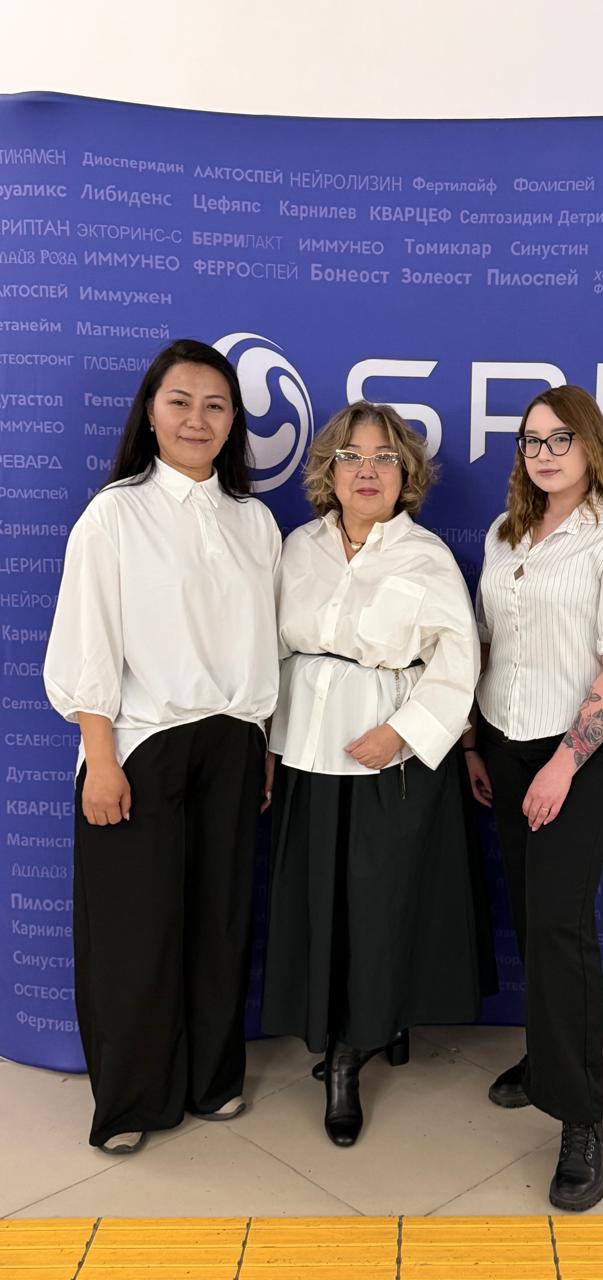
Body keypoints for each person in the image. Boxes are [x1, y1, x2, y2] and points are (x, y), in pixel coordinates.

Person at [43, 338, 280, 1155]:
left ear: (234, 422)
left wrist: (263, 745)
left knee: (220, 922)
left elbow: (265, 646)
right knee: (133, 932)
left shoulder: (254, 522)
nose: (197, 419)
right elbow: (89, 640)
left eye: (216, 405)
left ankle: (212, 1078)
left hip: (235, 742)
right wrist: (100, 756)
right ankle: (132, 1102)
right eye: (180, 402)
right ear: (150, 412)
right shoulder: (116, 514)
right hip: (141, 742)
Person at [262, 400, 492, 1146]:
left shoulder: (425, 555)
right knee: (319, 905)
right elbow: (268, 650)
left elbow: (458, 660)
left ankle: (356, 1048)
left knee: (379, 907)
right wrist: (266, 744)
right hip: (308, 749)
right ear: (329, 470)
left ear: (407, 474)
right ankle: (341, 1036)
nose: (368, 471)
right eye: (352, 457)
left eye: (385, 458)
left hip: (392, 761)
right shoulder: (298, 548)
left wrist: (400, 733)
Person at [464, 384, 603, 1212]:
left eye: (559, 439)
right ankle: (546, 1058)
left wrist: (562, 766)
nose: (543, 454)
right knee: (528, 910)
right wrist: (475, 743)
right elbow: (486, 644)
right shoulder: (504, 534)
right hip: (504, 746)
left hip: (577, 751)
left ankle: (582, 1120)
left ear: (592, 446)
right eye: (531, 440)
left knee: (560, 925)